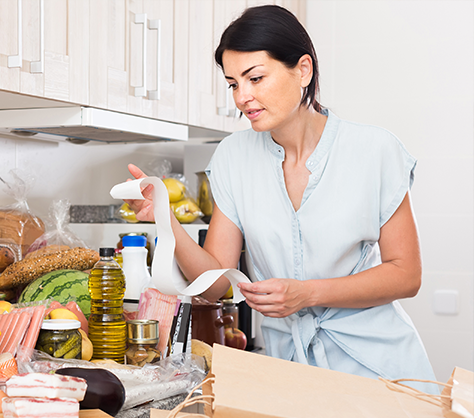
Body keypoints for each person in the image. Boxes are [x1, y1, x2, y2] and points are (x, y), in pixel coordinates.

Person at [125, 5, 438, 392]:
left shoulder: (375, 151)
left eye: (255, 78)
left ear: (302, 70)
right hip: (287, 373)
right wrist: (164, 217)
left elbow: (406, 274)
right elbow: (213, 284)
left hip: (378, 370)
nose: (243, 97)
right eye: (233, 83)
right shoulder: (233, 157)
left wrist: (307, 294)